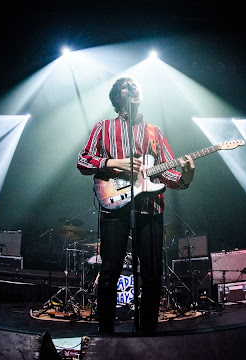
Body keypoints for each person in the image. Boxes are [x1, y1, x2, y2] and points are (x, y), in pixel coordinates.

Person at [77, 77, 195, 333]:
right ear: (117, 97)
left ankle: (147, 336)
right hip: (114, 207)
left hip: (151, 208)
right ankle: (105, 336)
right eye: (125, 87)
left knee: (152, 276)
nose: (132, 88)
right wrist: (112, 163)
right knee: (109, 274)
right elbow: (83, 160)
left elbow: (167, 172)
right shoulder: (104, 127)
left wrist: (184, 179)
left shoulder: (155, 132)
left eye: (135, 86)